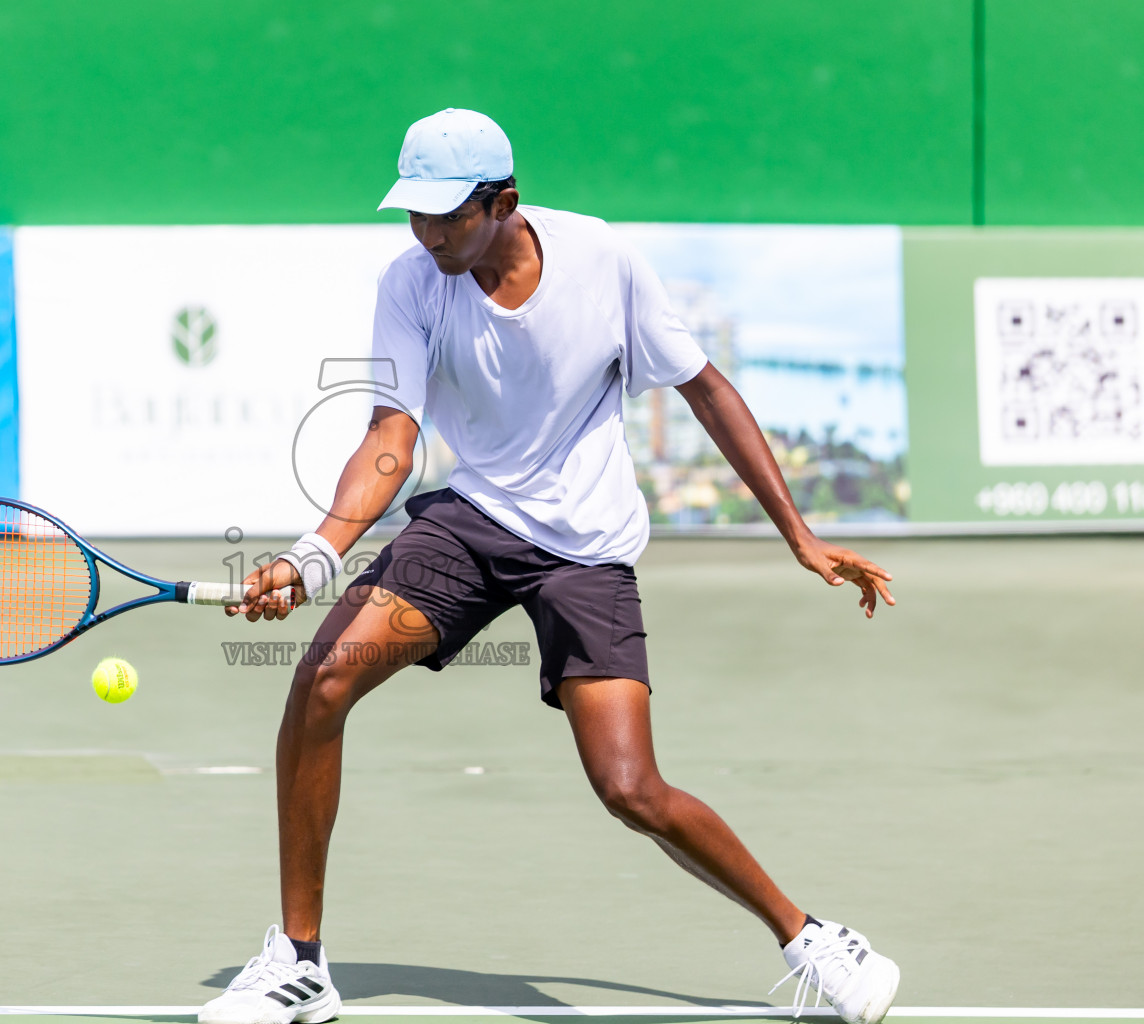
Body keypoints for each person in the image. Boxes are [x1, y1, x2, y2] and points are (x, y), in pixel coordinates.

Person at [198, 108, 900, 1024]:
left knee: (630, 789)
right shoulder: (411, 283)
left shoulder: (603, 262)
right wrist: (318, 551)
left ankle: (815, 941)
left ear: (504, 203)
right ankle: (297, 961)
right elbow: (391, 435)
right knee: (325, 680)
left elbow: (706, 389)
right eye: (414, 213)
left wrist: (798, 536)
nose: (426, 232)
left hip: (587, 549)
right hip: (474, 523)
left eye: (446, 215)